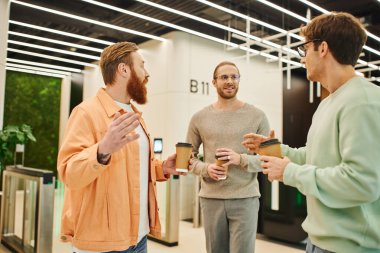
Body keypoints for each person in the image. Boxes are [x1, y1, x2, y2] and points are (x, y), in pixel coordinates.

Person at [243, 12, 380, 253]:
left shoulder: (363, 101)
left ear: (323, 48)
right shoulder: (328, 102)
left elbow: (362, 182)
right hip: (318, 241)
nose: (303, 58)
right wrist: (276, 150)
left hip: (350, 247)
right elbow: (318, 156)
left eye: (305, 49)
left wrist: (290, 172)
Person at [57, 42, 184, 253]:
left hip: (138, 237)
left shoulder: (133, 115)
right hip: (102, 244)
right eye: (142, 65)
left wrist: (162, 168)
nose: (147, 73)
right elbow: (69, 174)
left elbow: (131, 168)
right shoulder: (85, 113)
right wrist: (102, 150)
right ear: (124, 69)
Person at [186, 61, 270, 253]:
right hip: (211, 199)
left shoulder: (257, 116)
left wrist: (240, 159)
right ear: (214, 82)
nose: (230, 81)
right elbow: (187, 158)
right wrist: (206, 169)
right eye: (224, 77)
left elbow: (268, 160)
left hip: (245, 198)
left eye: (234, 77)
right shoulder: (199, 118)